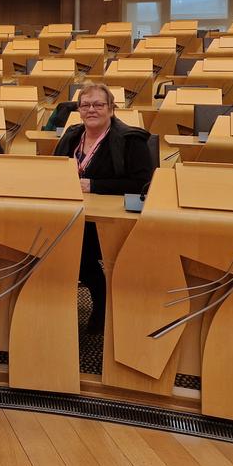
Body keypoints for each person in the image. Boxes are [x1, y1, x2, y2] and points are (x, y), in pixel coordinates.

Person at [52, 81, 153, 334]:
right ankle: (49, 308)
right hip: (73, 215)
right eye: (85, 105)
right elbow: (52, 170)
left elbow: (143, 183)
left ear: (111, 108)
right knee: (47, 243)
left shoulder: (131, 140)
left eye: (98, 104)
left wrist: (94, 184)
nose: (91, 109)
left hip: (110, 222)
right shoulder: (72, 136)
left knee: (81, 252)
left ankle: (102, 303)